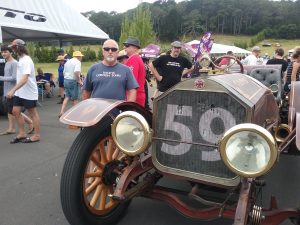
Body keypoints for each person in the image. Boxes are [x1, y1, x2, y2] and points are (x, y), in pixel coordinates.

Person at [7, 39, 40, 143]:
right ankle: (22, 133)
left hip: (29, 92)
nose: (12, 50)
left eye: (13, 47)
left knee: (32, 114)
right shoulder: (20, 59)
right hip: (20, 92)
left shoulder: (26, 60)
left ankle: (37, 135)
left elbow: (25, 79)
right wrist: (15, 91)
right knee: (15, 111)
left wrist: (12, 90)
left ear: (18, 47)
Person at [58, 51, 84, 117]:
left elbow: (64, 73)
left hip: (66, 80)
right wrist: (80, 81)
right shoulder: (78, 62)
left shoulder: (67, 62)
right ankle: (76, 114)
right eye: (80, 56)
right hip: (73, 81)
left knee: (67, 96)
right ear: (78, 56)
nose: (81, 57)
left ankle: (61, 112)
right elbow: (76, 72)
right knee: (75, 98)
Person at [123, 37, 146, 107]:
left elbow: (131, 81)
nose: (124, 47)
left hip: (134, 97)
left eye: (127, 46)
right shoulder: (137, 58)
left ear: (135, 48)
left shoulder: (134, 59)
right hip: (137, 95)